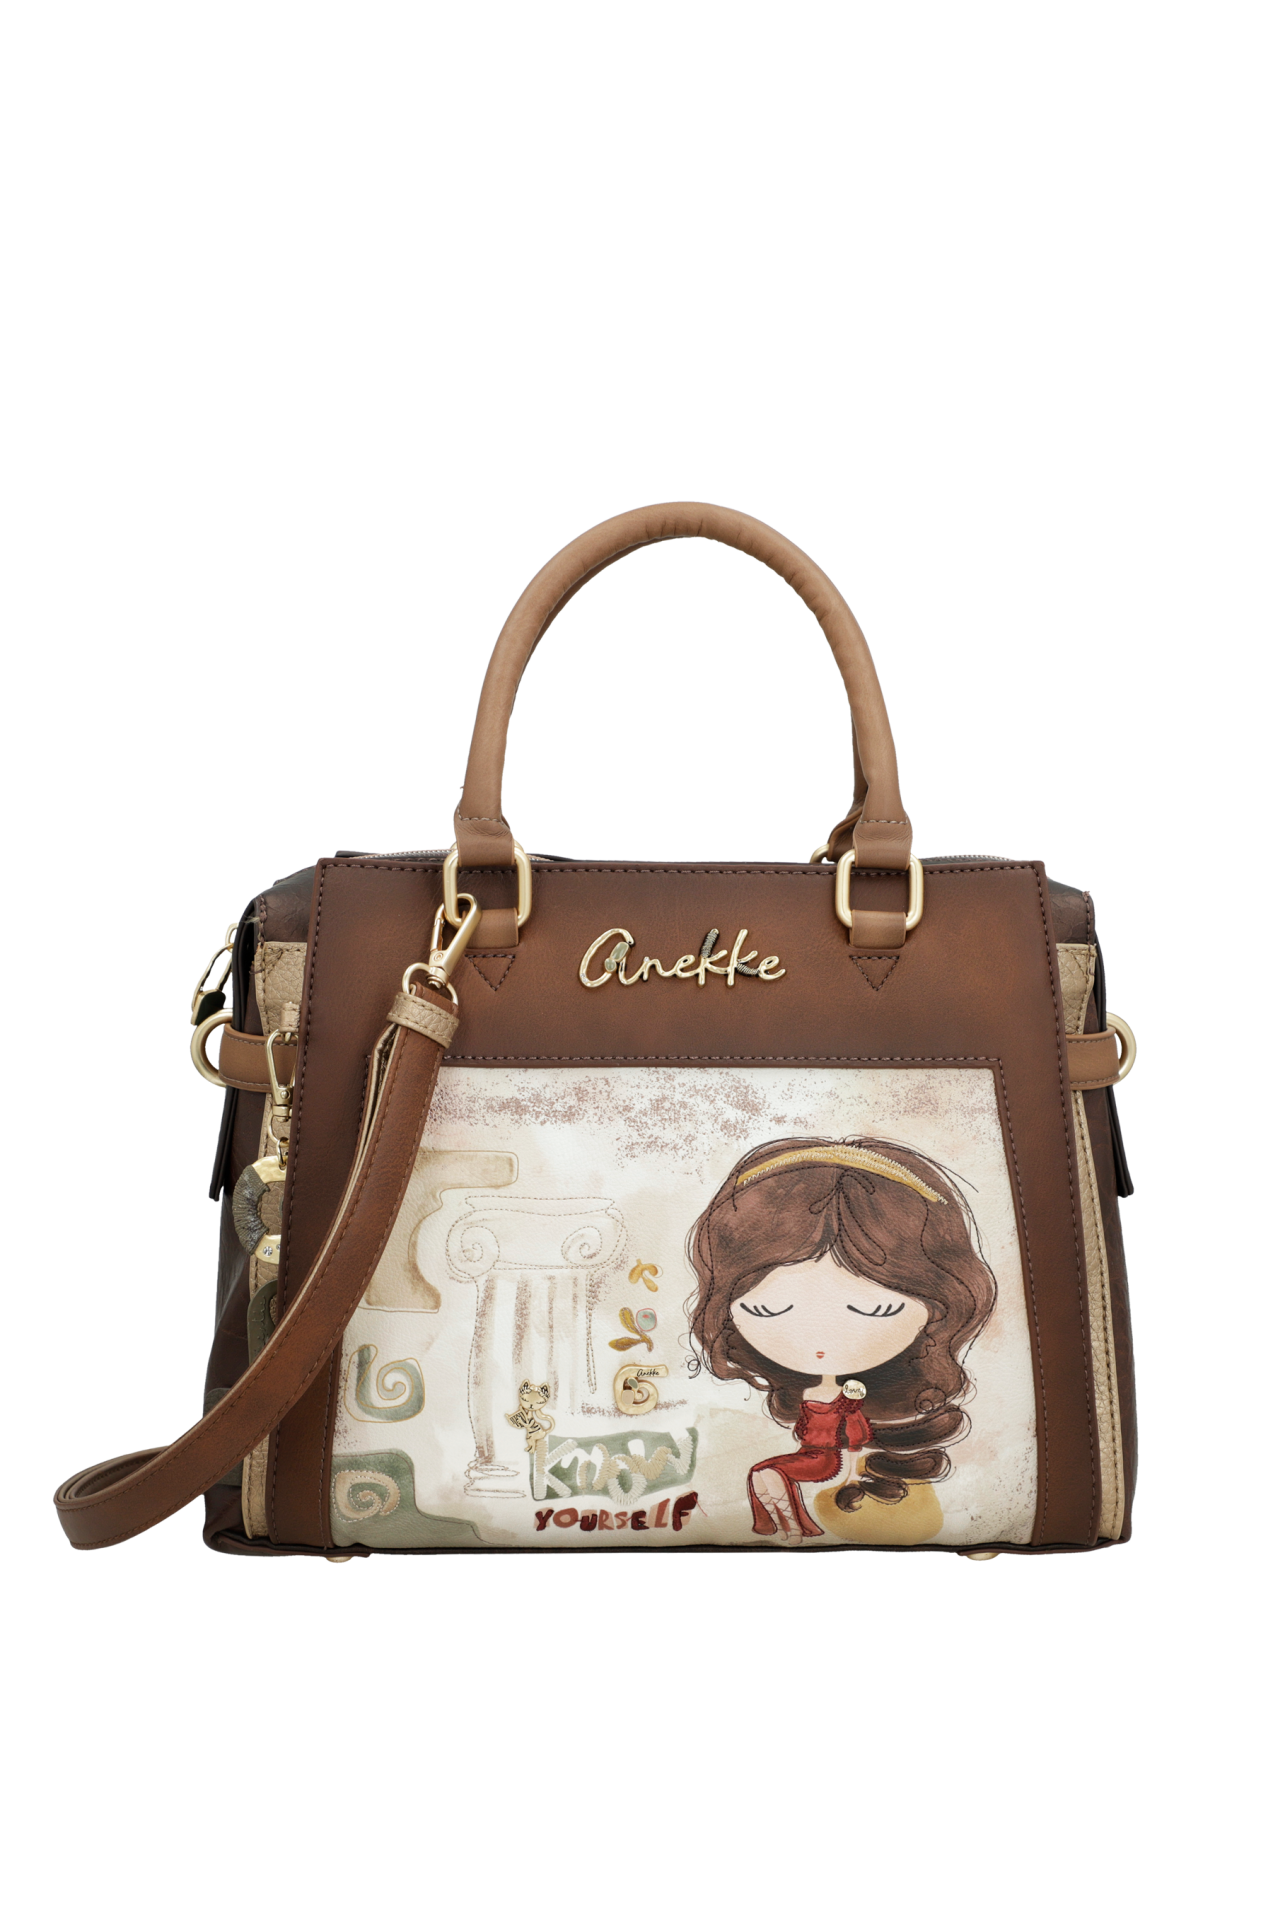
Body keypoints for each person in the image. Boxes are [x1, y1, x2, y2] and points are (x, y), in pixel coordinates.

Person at [687, 1138, 997, 1542]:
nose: (818, 1337)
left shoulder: (861, 1415)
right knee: (764, 1475)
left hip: (832, 1466)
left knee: (767, 1474)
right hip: (820, 1462)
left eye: (876, 1309)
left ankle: (791, 1528)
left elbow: (853, 1436)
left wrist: (851, 1465)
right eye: (767, 1309)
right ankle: (788, 1528)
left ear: (941, 1303)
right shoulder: (808, 1392)